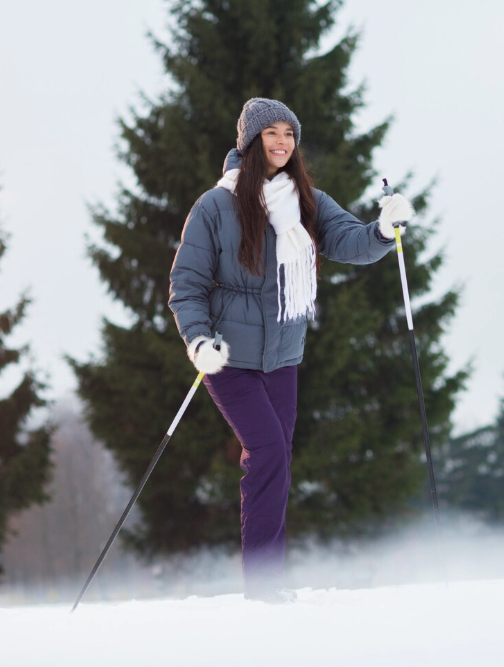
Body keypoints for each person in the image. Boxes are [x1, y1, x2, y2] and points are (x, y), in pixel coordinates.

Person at [168, 97, 415, 603]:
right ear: (250, 141)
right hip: (228, 358)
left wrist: (383, 230)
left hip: (283, 357)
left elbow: (349, 241)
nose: (282, 142)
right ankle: (263, 586)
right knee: (268, 452)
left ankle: (269, 582)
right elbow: (185, 285)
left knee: (276, 460)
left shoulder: (306, 200)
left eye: (288, 134)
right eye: (271, 133)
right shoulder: (215, 205)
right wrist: (198, 340)